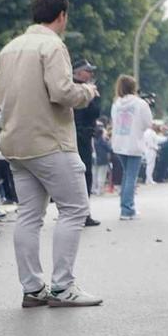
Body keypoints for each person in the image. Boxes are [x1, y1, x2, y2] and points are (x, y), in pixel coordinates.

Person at [0, 0, 103, 309]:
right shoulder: (53, 45)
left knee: (29, 215)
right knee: (75, 209)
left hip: (15, 142)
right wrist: (87, 91)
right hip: (50, 140)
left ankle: (32, 288)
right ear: (62, 16)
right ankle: (63, 286)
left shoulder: (9, 49)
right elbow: (62, 92)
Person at [109, 76, 153, 220]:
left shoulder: (116, 104)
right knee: (131, 177)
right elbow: (148, 123)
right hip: (134, 142)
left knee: (127, 175)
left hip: (119, 142)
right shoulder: (140, 103)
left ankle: (127, 206)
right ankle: (127, 209)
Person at [72, 59, 103, 221]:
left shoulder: (68, 87)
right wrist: (95, 97)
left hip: (73, 135)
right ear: (78, 72)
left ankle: (76, 212)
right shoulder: (84, 90)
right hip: (81, 135)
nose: (91, 74)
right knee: (84, 174)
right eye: (87, 71)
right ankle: (83, 212)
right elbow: (94, 112)